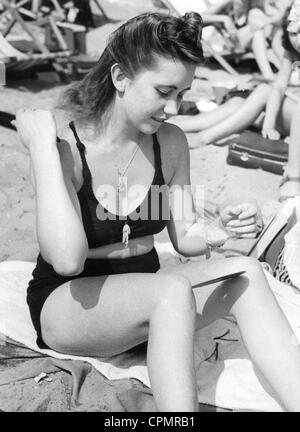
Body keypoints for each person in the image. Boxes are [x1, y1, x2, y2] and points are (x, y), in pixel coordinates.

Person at [15, 12, 300, 412]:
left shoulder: (170, 143)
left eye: (182, 94)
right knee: (170, 289)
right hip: (70, 305)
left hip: (150, 294)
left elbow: (185, 236)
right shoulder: (66, 151)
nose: (173, 106)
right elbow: (66, 260)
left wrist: (219, 232)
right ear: (120, 77)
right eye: (164, 91)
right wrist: (43, 147)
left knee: (246, 273)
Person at [169, 1, 300, 201]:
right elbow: (280, 86)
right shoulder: (291, 52)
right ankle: (179, 124)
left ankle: (203, 138)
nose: (297, 39)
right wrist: (270, 120)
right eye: (293, 32)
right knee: (240, 104)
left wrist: (271, 122)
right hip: (291, 115)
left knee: (263, 91)